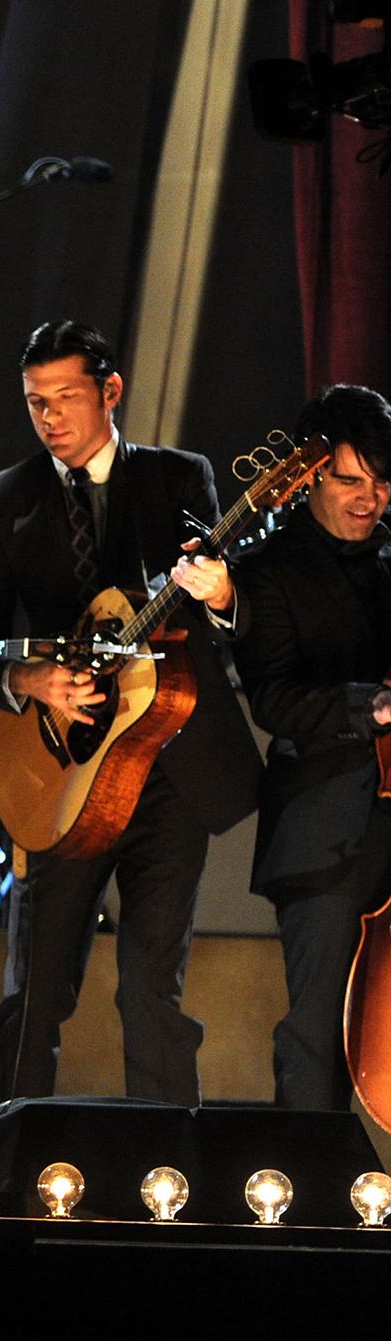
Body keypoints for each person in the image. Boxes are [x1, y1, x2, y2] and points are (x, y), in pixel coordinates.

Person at [0, 320, 261, 1107]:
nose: (51, 417)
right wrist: (30, 681)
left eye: (66, 397)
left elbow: (221, 609)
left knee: (151, 993)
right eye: (36, 403)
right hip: (64, 771)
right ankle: (5, 1177)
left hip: (169, 765)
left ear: (112, 391)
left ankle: (166, 1184)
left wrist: (221, 592)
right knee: (35, 994)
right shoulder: (9, 495)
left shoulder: (178, 478)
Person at [231, 384, 391, 1110]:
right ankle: (310, 1203)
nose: (371, 497)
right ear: (310, 476)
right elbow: (274, 700)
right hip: (324, 834)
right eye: (351, 480)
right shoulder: (268, 570)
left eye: (383, 481)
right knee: (317, 1034)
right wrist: (373, 705)